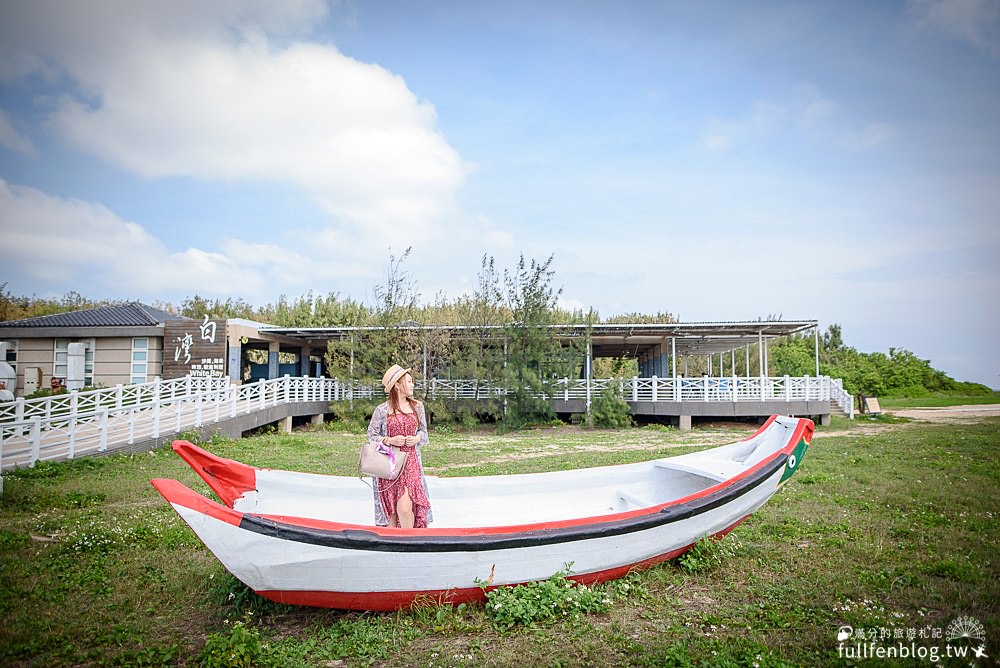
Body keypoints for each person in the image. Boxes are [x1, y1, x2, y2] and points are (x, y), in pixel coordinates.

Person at [366, 364, 433, 528]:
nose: (412, 385)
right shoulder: (382, 410)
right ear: (397, 385)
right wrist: (389, 440)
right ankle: (394, 548)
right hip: (389, 463)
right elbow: (371, 436)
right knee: (391, 512)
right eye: (409, 381)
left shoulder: (417, 407)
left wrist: (416, 438)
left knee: (404, 509)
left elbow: (424, 433)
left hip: (410, 461)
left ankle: (411, 544)